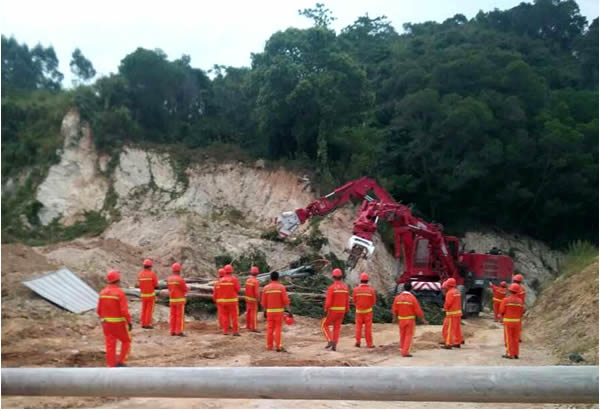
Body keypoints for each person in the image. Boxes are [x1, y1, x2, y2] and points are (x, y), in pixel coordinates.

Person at [97, 270, 132, 367]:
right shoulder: (119, 293)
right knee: (126, 341)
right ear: (118, 280)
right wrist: (129, 321)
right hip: (118, 324)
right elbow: (124, 311)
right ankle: (121, 361)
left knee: (110, 344)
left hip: (106, 323)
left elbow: (99, 311)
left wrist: (104, 320)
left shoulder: (102, 293)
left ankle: (111, 365)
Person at [392, 282, 427, 357]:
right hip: (410, 320)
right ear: (411, 289)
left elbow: (394, 310)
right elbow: (418, 311)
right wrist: (423, 320)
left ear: (403, 288)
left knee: (402, 335)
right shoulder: (413, 298)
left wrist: (394, 319)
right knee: (408, 336)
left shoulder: (397, 298)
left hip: (401, 320)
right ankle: (405, 352)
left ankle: (402, 349)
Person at [261, 271, 292, 351]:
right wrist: (289, 311)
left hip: (269, 312)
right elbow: (286, 301)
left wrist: (264, 312)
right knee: (278, 328)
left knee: (270, 328)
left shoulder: (266, 288)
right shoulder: (281, 287)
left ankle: (269, 346)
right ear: (278, 278)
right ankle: (278, 346)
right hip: (279, 312)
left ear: (270, 278)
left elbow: (264, 303)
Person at [321, 268, 350, 351]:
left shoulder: (332, 288)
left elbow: (328, 302)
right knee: (337, 328)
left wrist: (325, 310)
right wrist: (347, 310)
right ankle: (335, 345)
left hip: (332, 311)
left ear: (333, 277)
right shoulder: (345, 288)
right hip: (342, 312)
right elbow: (347, 301)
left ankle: (330, 340)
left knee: (324, 325)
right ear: (341, 277)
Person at [499, 283, 525, 359]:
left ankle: (510, 354)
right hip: (517, 322)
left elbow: (501, 310)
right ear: (517, 292)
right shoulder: (520, 301)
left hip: (508, 322)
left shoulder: (506, 300)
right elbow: (522, 311)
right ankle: (516, 354)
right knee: (516, 338)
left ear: (510, 291)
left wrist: (501, 317)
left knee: (508, 338)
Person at [352, 272, 376, 348]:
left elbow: (354, 300)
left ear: (360, 280)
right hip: (368, 312)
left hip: (359, 312)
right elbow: (373, 301)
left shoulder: (356, 290)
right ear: (367, 281)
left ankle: (358, 342)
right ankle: (369, 344)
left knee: (358, 328)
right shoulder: (371, 290)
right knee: (368, 328)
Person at [216, 265, 241, 336]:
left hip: (223, 302)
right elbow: (238, 289)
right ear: (231, 271)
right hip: (232, 302)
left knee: (225, 316)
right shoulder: (234, 279)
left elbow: (219, 292)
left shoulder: (220, 281)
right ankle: (235, 331)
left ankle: (225, 331)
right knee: (234, 317)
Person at [440, 278, 463, 349]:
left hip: (451, 314)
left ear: (448, 285)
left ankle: (448, 344)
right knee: (457, 329)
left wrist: (444, 308)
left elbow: (448, 303)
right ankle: (457, 342)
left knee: (448, 329)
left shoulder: (449, 293)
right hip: (458, 314)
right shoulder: (457, 291)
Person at [167, 263, 188, 337]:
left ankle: (172, 330)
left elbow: (169, 289)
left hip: (172, 300)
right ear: (179, 270)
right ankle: (179, 331)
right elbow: (185, 289)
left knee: (173, 316)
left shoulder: (169, 279)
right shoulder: (180, 279)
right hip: (179, 301)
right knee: (179, 316)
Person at [137, 259, 159, 329]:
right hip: (150, 295)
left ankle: (143, 323)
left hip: (143, 295)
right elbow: (155, 285)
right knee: (149, 310)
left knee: (144, 309)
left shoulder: (140, 274)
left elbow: (139, 284)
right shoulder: (152, 274)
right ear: (150, 267)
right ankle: (148, 324)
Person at [245, 266, 261, 332]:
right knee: (253, 314)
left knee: (248, 312)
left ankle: (248, 326)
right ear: (257, 273)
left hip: (247, 299)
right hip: (253, 300)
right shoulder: (256, 281)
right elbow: (256, 292)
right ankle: (254, 328)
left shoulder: (248, 280)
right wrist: (259, 299)